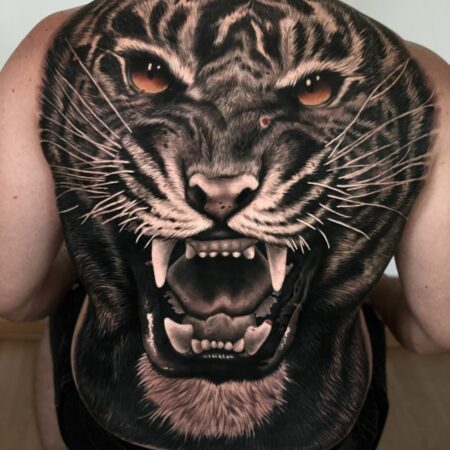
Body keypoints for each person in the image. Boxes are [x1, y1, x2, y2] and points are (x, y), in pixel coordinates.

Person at [0, 1, 449, 449]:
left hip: (100, 422)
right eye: (149, 74)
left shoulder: (55, 43)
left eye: (314, 88)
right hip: (334, 425)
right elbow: (434, 328)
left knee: (71, 306)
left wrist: (78, 269)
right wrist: (372, 291)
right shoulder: (421, 73)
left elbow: (14, 294)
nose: (223, 178)